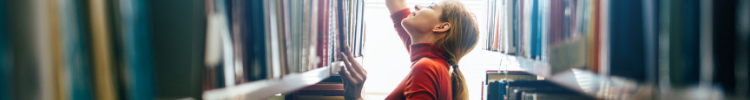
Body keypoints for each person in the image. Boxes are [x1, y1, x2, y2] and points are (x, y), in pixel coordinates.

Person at [337, 0, 479, 99]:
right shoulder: (437, 65)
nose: (417, 6)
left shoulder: (427, 67)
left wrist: (356, 98)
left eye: (430, 7)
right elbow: (396, 3)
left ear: (441, 27)